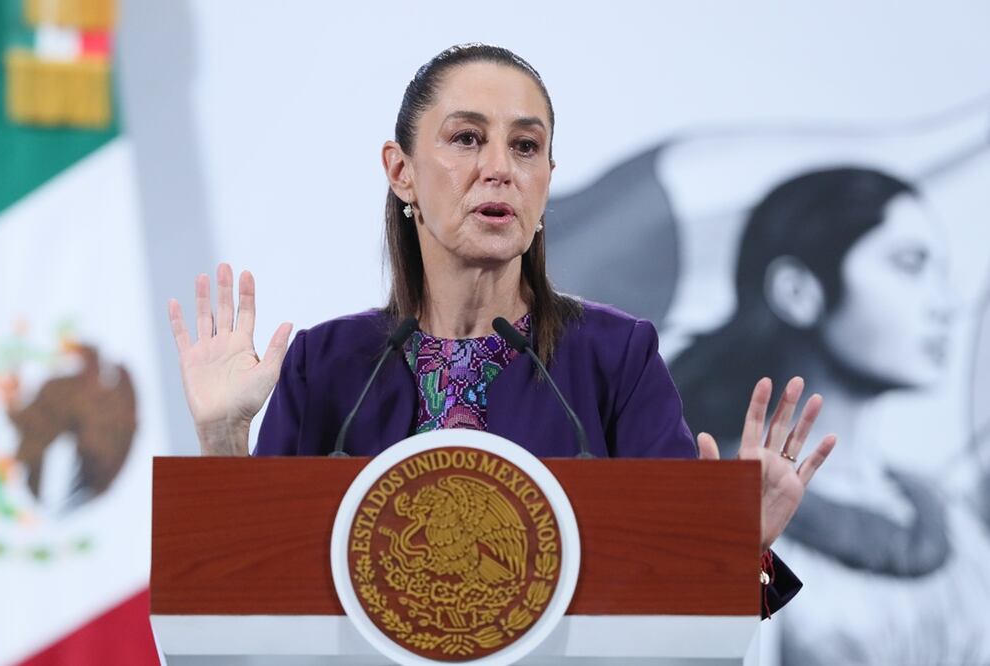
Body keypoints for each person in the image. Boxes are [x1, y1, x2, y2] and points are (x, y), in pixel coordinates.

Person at [166, 43, 837, 617]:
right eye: (466, 138)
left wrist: (740, 549)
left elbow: (678, 613)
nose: (500, 168)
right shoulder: (327, 364)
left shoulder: (615, 358)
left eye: (525, 146)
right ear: (401, 172)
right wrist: (222, 439)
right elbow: (246, 600)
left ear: (546, 181)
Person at [671, 167, 990, 664]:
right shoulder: (719, 497)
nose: (945, 303)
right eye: (910, 264)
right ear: (799, 291)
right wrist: (738, 550)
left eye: (942, 273)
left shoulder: (951, 521)